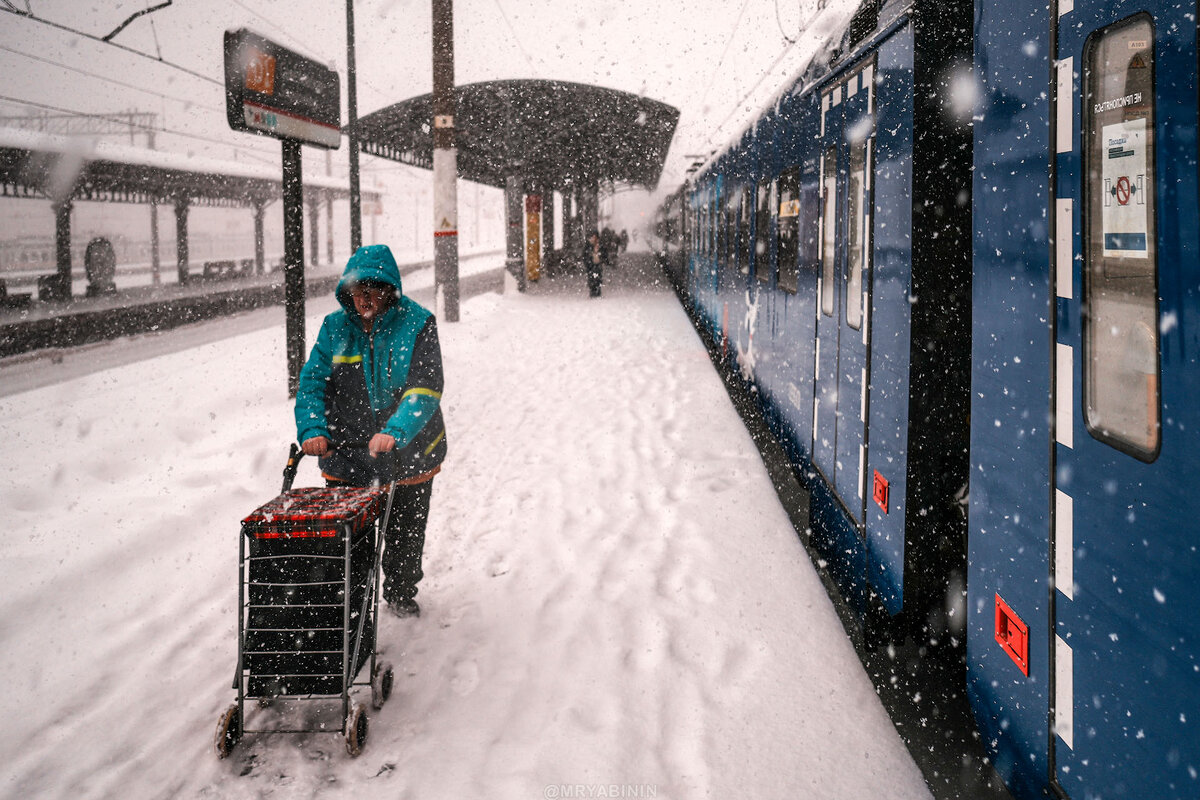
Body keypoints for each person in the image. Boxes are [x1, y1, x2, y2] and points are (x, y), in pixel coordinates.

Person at [294, 244, 447, 618]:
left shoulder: (418, 322)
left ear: (389, 289)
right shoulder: (335, 328)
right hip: (347, 454)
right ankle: (352, 602)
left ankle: (399, 590)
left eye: (373, 289)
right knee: (351, 539)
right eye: (357, 290)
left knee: (405, 534)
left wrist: (396, 430)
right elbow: (313, 383)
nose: (364, 298)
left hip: (410, 454)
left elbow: (425, 386)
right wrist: (313, 428)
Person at [584, 229, 607, 298]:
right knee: (591, 278)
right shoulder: (588, 245)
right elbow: (584, 255)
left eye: (594, 237)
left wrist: (602, 259)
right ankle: (593, 291)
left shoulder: (600, 245)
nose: (592, 238)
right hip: (591, 265)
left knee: (597, 278)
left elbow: (604, 254)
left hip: (597, 264)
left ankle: (597, 291)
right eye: (592, 237)